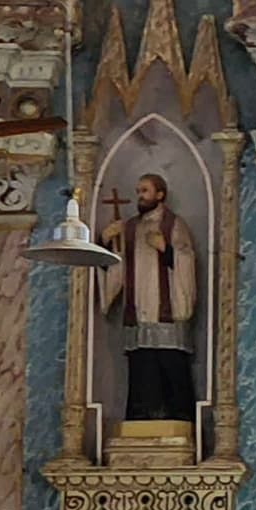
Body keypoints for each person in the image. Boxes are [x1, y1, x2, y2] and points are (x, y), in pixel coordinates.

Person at [99, 170, 199, 427]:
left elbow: (187, 259)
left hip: (168, 312)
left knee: (171, 368)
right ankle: (140, 422)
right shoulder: (129, 227)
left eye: (144, 190)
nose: (140, 196)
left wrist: (166, 249)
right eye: (138, 191)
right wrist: (105, 241)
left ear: (160, 194)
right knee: (142, 370)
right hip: (139, 310)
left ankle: (179, 423)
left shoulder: (174, 225)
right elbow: (115, 265)